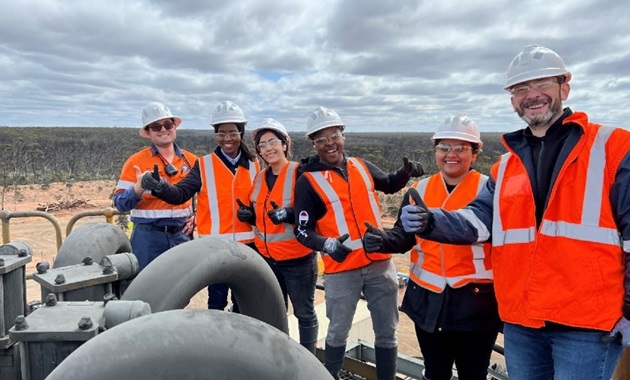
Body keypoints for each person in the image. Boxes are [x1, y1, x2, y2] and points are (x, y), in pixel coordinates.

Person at [396, 45, 630, 379]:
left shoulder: (613, 147)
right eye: (521, 88)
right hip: (522, 322)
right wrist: (431, 221)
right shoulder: (507, 166)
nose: (532, 95)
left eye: (542, 84)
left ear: (564, 87)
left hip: (586, 326)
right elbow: (479, 219)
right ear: (512, 100)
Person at [363, 114, 501, 380]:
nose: (451, 154)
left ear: (475, 154)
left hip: (475, 303)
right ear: (435, 151)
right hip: (427, 300)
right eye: (444, 148)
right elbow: (404, 237)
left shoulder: (489, 190)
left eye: (461, 148)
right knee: (435, 372)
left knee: (473, 374)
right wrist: (383, 240)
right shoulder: (420, 189)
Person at [293, 106, 424, 380]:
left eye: (334, 135)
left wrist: (404, 173)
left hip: (380, 264)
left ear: (343, 136)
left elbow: (388, 184)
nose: (330, 143)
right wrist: (328, 245)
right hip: (342, 270)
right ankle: (330, 376)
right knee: (339, 330)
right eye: (321, 139)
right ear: (314, 144)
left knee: (387, 330)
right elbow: (302, 231)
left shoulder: (360, 166)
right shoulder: (308, 181)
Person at [141, 100, 260, 312]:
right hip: (214, 248)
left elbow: (262, 205)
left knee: (244, 302)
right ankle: (217, 342)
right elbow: (180, 194)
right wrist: (159, 186)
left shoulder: (255, 165)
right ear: (215, 135)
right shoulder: (203, 165)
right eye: (221, 133)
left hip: (248, 247)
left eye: (232, 132)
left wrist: (251, 215)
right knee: (216, 303)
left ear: (241, 133)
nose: (227, 139)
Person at [235, 118, 319, 354]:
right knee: (275, 312)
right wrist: (249, 215)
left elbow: (314, 213)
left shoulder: (299, 173)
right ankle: (279, 357)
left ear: (285, 144)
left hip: (297, 260)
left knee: (304, 313)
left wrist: (291, 214)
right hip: (267, 260)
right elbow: (261, 214)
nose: (268, 148)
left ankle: (307, 360)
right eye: (262, 145)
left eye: (273, 142)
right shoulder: (260, 177)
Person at [113, 101, 197, 271]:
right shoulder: (136, 162)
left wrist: (198, 215)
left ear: (174, 127)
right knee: (147, 290)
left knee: (181, 289)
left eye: (167, 124)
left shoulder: (192, 160)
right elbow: (119, 203)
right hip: (148, 238)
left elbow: (207, 197)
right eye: (156, 127)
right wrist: (138, 189)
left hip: (182, 235)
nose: (163, 130)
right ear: (148, 132)